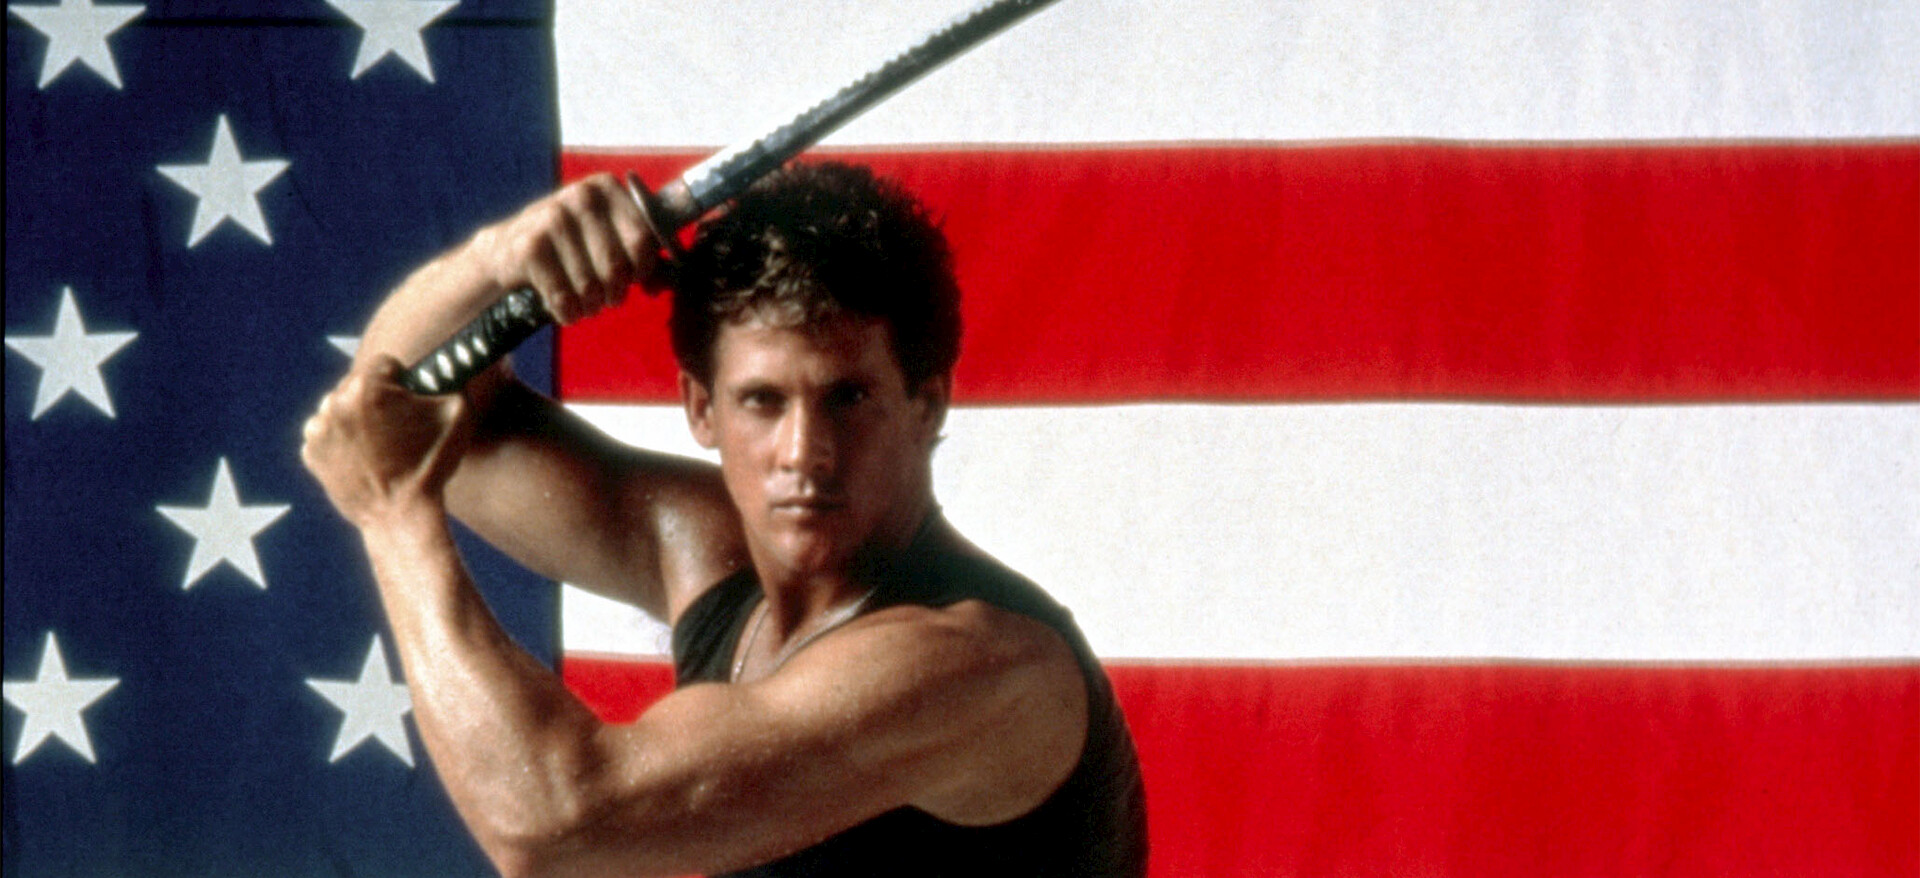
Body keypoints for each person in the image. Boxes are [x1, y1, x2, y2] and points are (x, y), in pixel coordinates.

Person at [300, 162, 1147, 877]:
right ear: (701, 408)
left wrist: (393, 518)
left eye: (848, 398)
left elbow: (553, 822)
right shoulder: (707, 552)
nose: (804, 453)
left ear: (926, 406)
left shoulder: (977, 664)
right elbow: (401, 401)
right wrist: (502, 258)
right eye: (763, 401)